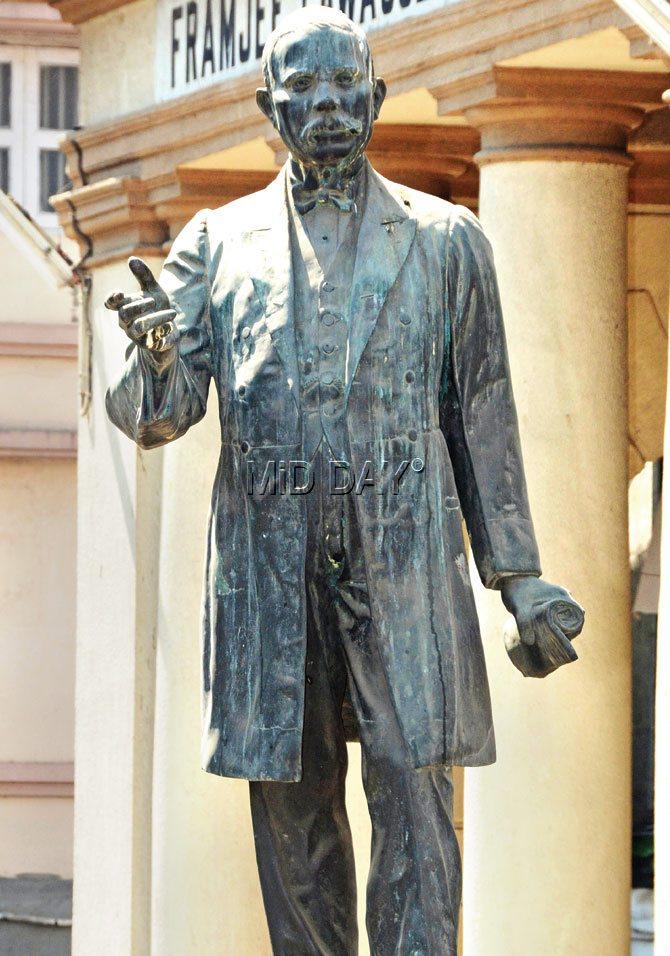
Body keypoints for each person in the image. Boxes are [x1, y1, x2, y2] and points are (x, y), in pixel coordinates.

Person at [104, 8, 583, 954]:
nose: (326, 107)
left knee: (416, 803)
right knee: (294, 818)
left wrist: (516, 576)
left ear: (376, 98)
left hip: (405, 555)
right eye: (303, 92)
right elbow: (159, 416)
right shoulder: (216, 244)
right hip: (268, 568)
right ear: (265, 107)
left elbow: (482, 411)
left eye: (344, 89)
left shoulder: (448, 242)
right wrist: (156, 346)